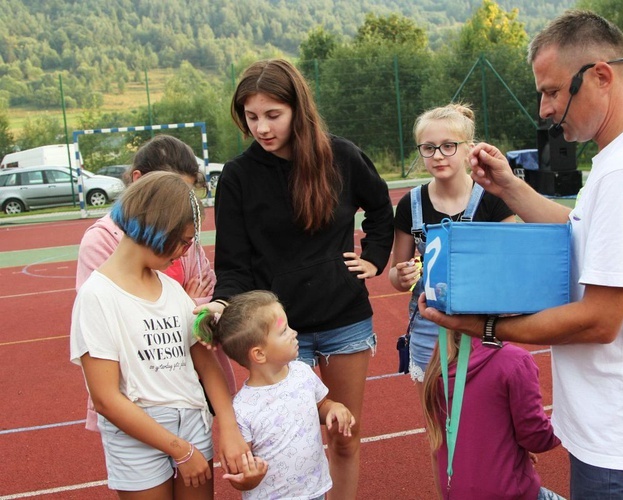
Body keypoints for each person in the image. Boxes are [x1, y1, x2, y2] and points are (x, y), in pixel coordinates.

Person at [419, 10, 623, 499]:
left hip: (619, 431)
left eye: (552, 91)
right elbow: (579, 232)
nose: (544, 109)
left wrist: (485, 328)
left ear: (600, 75)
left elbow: (598, 320)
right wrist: (510, 187)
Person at [206, 58, 394, 499]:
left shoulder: (341, 156)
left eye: (273, 115)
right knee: (289, 445)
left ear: (297, 109)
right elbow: (233, 263)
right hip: (278, 335)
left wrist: (375, 258)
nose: (262, 128)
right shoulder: (236, 177)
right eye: (251, 117)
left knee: (344, 434)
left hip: (345, 320)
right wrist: (221, 302)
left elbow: (383, 208)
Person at [70, 171, 249, 498]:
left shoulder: (171, 290)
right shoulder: (97, 296)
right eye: (182, 241)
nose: (185, 251)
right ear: (155, 226)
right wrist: (180, 450)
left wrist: (230, 426)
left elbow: (206, 367)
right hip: (137, 433)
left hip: (192, 421)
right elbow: (106, 399)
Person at [76, 134, 236, 433]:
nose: (182, 208)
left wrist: (191, 305)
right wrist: (188, 306)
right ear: (139, 181)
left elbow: (208, 292)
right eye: (171, 194)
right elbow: (121, 323)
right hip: (139, 394)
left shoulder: (182, 240)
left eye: (187, 195)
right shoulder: (100, 242)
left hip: (190, 384)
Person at [389, 103, 514, 385]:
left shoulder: (493, 199)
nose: (438, 155)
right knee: (438, 419)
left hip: (483, 326)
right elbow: (396, 277)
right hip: (428, 329)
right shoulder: (411, 204)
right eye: (428, 147)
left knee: (484, 416)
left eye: (448, 146)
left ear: (468, 148)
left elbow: (511, 267)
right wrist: (403, 274)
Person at [194, 290, 356, 499]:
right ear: (259, 354)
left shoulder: (302, 373)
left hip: (315, 491)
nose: (294, 332)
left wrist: (335, 408)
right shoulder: (243, 409)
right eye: (283, 331)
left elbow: (320, 405)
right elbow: (240, 472)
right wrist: (250, 478)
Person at [423, 329, 562, 500]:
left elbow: (437, 451)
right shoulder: (514, 360)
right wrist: (566, 424)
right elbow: (537, 438)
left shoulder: (440, 363)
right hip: (511, 493)